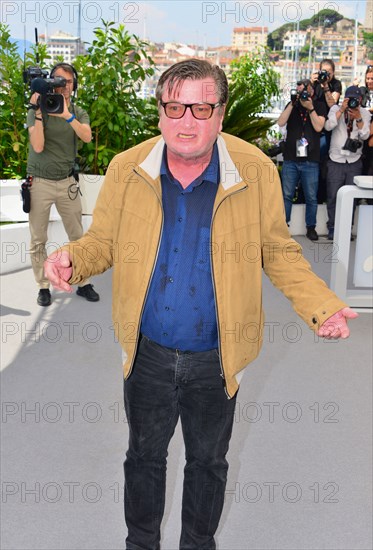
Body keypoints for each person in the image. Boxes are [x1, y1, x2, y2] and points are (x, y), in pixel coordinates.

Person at [44, 59, 357, 550]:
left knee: (208, 463)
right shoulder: (128, 168)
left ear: (220, 114)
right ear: (161, 112)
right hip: (146, 353)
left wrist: (321, 304)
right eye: (174, 107)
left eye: (201, 107)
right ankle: (140, 543)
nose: (186, 120)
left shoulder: (253, 169)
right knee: (143, 458)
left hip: (218, 356)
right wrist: (71, 260)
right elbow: (104, 241)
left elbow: (276, 249)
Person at [26, 62, 100, 306]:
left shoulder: (77, 112)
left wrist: (67, 115)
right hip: (40, 183)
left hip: (67, 182)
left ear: (74, 85)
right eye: (58, 80)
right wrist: (37, 110)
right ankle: (43, 286)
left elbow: (87, 137)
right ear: (50, 82)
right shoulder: (38, 110)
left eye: (68, 81)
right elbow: (37, 146)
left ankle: (83, 282)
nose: (64, 86)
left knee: (77, 236)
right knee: (38, 238)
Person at [277, 78, 327, 241]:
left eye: (305, 89)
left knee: (311, 196)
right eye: (299, 90)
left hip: (311, 159)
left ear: (312, 90)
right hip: (291, 158)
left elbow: (319, 127)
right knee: (286, 194)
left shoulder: (318, 105)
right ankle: (284, 226)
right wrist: (292, 103)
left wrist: (310, 108)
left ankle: (311, 227)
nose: (302, 93)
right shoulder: (293, 105)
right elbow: (281, 122)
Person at [324, 85, 371, 240]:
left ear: (360, 100)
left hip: (354, 161)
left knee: (351, 198)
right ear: (345, 98)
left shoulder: (364, 113)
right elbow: (328, 126)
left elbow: (364, 136)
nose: (352, 102)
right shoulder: (335, 109)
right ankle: (332, 227)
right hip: (336, 159)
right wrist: (341, 111)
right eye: (349, 99)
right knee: (332, 196)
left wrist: (358, 118)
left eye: (355, 99)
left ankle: (346, 229)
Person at [311, 58, 343, 203]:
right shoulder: (315, 82)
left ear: (334, 73)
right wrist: (312, 83)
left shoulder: (336, 84)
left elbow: (333, 103)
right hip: (313, 125)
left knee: (324, 161)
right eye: (324, 72)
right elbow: (307, 98)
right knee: (312, 161)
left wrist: (325, 86)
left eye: (329, 72)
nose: (326, 75)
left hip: (327, 128)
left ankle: (322, 195)